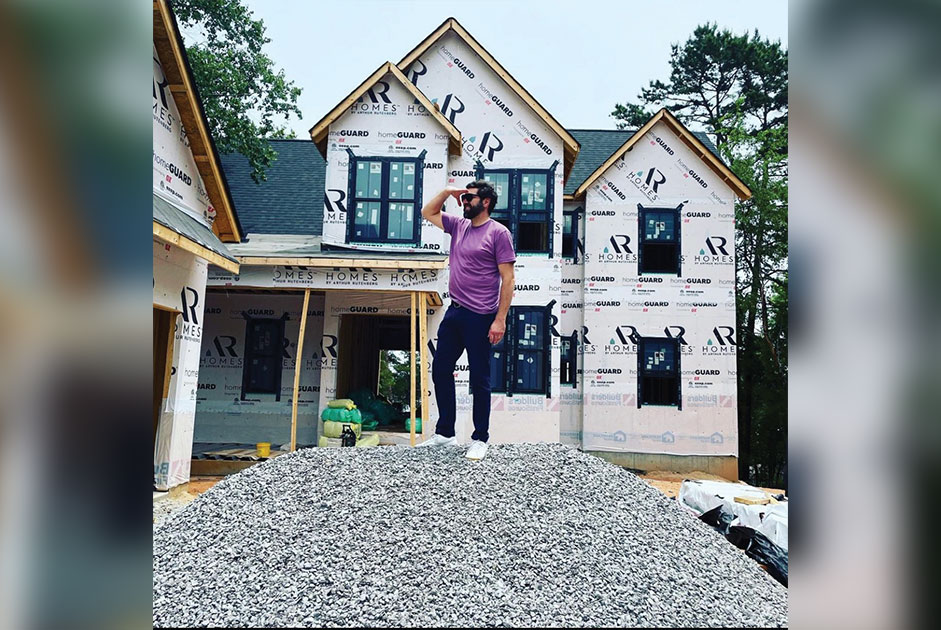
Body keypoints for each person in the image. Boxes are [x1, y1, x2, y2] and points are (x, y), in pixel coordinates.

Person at [415, 180, 515, 460]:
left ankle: (480, 438)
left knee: (479, 378)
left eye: (469, 198)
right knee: (440, 369)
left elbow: (508, 279)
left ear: (486, 202)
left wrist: (500, 320)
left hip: (481, 316)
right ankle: (445, 433)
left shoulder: (499, 233)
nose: (464, 202)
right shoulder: (459, 226)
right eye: (463, 198)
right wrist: (448, 192)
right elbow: (427, 212)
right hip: (455, 311)